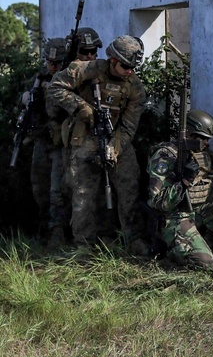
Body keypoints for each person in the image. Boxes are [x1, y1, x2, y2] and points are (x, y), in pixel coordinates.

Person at [47, 35, 148, 253]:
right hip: (85, 136)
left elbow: (129, 126)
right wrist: (81, 108)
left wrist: (114, 147)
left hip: (118, 137)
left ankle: (134, 238)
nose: (129, 71)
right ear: (112, 60)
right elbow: (56, 87)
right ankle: (84, 244)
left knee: (129, 186)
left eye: (132, 67)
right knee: (83, 193)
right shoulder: (87, 69)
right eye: (125, 66)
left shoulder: (135, 88)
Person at [147, 109, 213, 268]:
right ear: (189, 135)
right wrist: (184, 181)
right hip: (175, 217)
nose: (206, 143)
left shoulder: (205, 154)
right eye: (203, 139)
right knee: (204, 262)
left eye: (208, 139)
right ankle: (172, 248)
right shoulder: (165, 156)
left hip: (199, 211)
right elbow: (158, 202)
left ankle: (205, 238)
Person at [16, 38, 67, 242]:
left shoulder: (69, 79)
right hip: (40, 141)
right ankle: (44, 228)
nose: (53, 66)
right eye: (50, 62)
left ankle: (58, 231)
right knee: (39, 187)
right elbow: (24, 105)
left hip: (59, 144)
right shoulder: (39, 78)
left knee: (57, 190)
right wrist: (25, 98)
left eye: (58, 63)